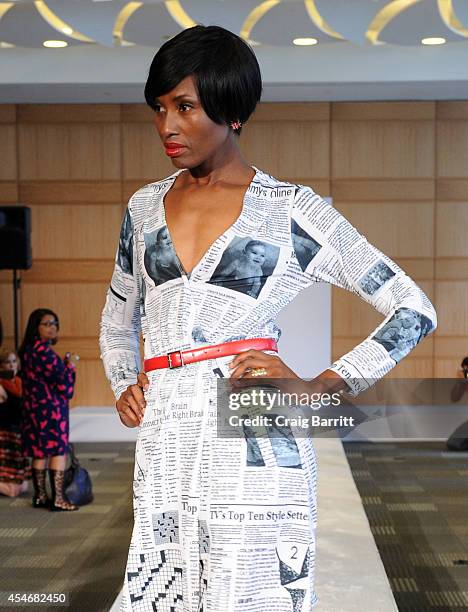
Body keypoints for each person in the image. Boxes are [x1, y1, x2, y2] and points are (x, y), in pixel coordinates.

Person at [99, 25, 437, 611]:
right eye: (159, 109)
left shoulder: (292, 211)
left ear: (232, 111)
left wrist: (318, 389)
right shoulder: (144, 206)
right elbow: (117, 314)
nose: (167, 127)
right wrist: (122, 378)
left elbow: (413, 309)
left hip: (255, 424)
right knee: (161, 592)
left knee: (250, 595)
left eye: (185, 107)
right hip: (167, 436)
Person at [19, 309, 78, 511]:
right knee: (57, 452)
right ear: (36, 327)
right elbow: (65, 387)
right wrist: (69, 367)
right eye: (47, 323)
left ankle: (40, 496)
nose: (52, 327)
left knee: (39, 453)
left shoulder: (27, 350)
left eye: (55, 323)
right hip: (52, 412)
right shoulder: (44, 351)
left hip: (33, 410)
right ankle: (58, 499)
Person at [0, 349, 30, 497]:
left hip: (19, 432)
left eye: (13, 361)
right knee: (12, 491)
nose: (11, 365)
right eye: (7, 362)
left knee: (23, 487)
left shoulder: (19, 382)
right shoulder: (1, 384)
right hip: (5, 433)